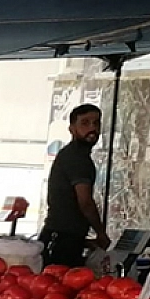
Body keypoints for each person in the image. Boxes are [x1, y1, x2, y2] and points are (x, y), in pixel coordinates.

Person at [41, 104, 110, 268]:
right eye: (85, 123)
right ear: (72, 128)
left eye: (96, 123)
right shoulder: (78, 159)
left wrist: (84, 241)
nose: (92, 128)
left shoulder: (72, 155)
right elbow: (85, 201)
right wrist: (100, 233)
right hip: (61, 241)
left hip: (62, 237)